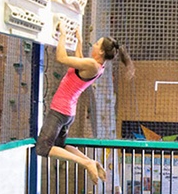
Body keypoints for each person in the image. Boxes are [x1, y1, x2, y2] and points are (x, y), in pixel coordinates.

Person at [35, 23, 134, 181]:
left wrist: (62, 34)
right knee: (59, 148)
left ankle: (85, 163)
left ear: (101, 51)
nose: (93, 45)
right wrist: (79, 41)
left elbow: (61, 58)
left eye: (96, 44)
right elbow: (78, 62)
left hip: (60, 110)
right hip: (67, 112)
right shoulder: (96, 66)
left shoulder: (92, 65)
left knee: (42, 148)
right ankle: (91, 162)